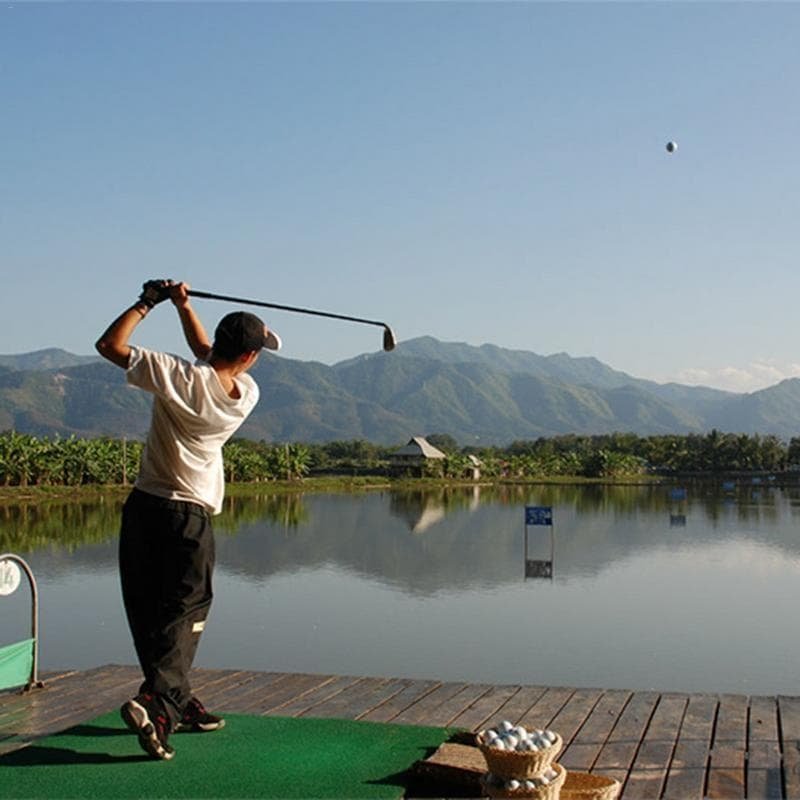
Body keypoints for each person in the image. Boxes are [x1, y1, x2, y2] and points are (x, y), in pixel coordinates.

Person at [95, 279, 281, 760]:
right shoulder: (246, 393)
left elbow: (109, 346)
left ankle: (173, 697)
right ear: (250, 357)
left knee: (148, 609)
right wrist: (183, 305)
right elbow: (207, 352)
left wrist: (150, 303)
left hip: (143, 508)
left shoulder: (176, 375)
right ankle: (160, 705)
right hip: (189, 514)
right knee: (186, 612)